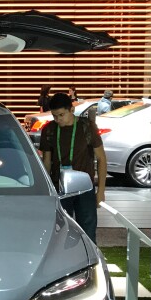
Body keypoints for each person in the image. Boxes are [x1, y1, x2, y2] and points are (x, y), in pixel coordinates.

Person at [39, 92, 107, 243]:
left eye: (61, 115)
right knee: (61, 233)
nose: (58, 120)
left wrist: (101, 190)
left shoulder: (87, 127)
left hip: (85, 188)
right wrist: (47, 189)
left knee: (88, 232)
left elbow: (101, 158)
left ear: (72, 110)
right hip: (60, 188)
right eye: (54, 116)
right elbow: (47, 162)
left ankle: (90, 263)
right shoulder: (49, 130)